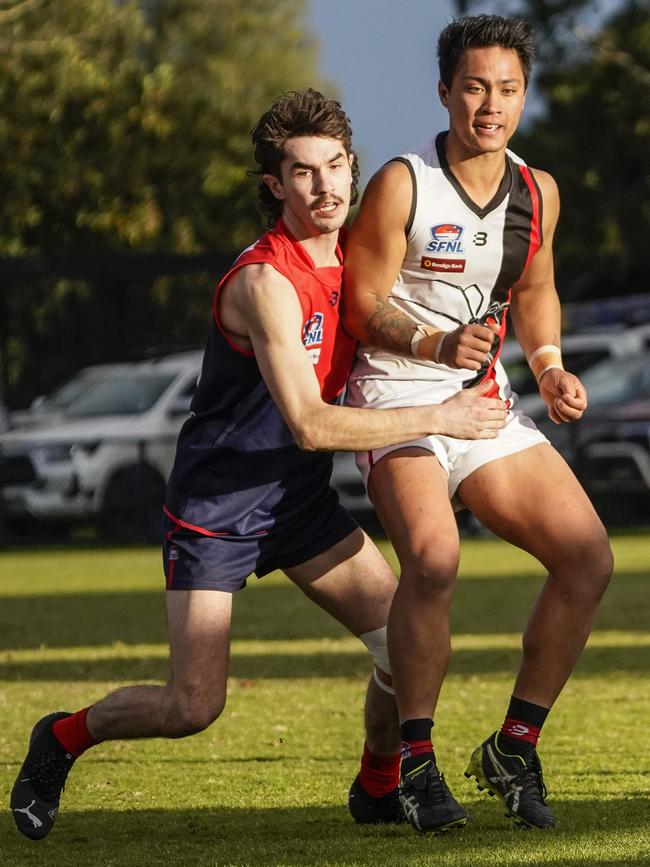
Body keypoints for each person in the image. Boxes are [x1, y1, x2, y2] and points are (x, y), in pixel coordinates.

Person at [10, 89, 508, 841]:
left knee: (402, 642)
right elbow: (309, 424)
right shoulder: (264, 283)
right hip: (219, 505)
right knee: (193, 705)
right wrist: (443, 416)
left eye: (336, 166)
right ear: (275, 184)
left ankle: (378, 783)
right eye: (304, 172)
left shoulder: (359, 256)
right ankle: (63, 735)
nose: (327, 187)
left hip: (299, 503)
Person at [342, 15, 614, 834]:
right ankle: (416, 766)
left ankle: (513, 745)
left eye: (506, 89)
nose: (489, 105)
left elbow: (534, 292)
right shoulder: (403, 182)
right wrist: (430, 339)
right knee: (432, 557)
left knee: (587, 556)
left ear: (523, 95)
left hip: (483, 396)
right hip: (396, 394)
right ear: (444, 92)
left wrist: (553, 364)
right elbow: (358, 304)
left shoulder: (538, 190)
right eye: (473, 87)